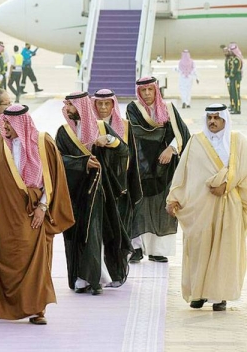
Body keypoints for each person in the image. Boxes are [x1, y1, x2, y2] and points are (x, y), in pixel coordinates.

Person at [0, 104, 74, 324]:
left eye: (10, 123)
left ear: (22, 123)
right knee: (1, 257)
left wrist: (42, 207)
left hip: (32, 213)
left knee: (36, 261)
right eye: (4, 122)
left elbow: (53, 180)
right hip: (3, 214)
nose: (6, 127)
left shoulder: (43, 143)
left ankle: (37, 309)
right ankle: (1, 305)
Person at [166, 104, 247, 312]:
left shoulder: (238, 142)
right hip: (200, 207)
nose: (212, 122)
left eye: (216, 118)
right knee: (198, 249)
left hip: (229, 206)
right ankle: (198, 293)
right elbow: (182, 173)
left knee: (224, 251)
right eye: (209, 117)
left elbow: (245, 171)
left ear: (225, 120)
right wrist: (173, 198)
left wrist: (226, 184)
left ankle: (219, 296)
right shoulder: (196, 142)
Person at [56, 92, 132, 295]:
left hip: (98, 191)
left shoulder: (101, 127)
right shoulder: (63, 132)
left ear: (80, 106)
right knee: (76, 235)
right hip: (74, 192)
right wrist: (81, 163)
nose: (68, 109)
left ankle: (94, 279)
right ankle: (80, 278)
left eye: (71, 106)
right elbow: (58, 160)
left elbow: (124, 150)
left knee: (94, 233)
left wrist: (108, 140)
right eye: (67, 106)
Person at [126, 77, 191, 263]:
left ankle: (158, 250)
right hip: (141, 166)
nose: (147, 94)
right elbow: (138, 134)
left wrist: (171, 148)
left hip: (165, 168)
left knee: (162, 207)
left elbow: (182, 133)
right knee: (138, 207)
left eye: (150, 90)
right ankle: (136, 248)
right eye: (143, 90)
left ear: (156, 90)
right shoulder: (133, 108)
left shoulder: (169, 108)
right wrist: (161, 134)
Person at [92, 89, 142, 263]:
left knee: (121, 221)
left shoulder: (125, 125)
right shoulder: (89, 125)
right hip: (98, 181)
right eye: (100, 103)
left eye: (107, 104)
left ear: (113, 105)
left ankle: (121, 258)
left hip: (121, 181)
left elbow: (131, 154)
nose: (104, 107)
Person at [227, 43, 243, 114]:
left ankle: (237, 109)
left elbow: (235, 70)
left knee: (236, 94)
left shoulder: (237, 59)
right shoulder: (233, 59)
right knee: (233, 93)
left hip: (235, 79)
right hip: (233, 79)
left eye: (231, 51)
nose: (230, 52)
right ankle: (234, 107)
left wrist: (230, 75)